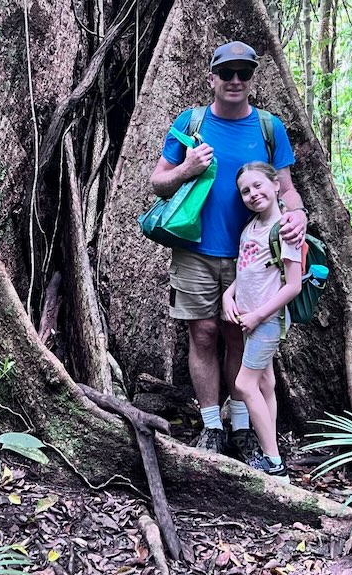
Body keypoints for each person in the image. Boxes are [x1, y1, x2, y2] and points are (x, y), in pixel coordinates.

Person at [149, 40, 307, 457]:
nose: (235, 80)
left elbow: (287, 191)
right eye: (227, 73)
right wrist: (188, 168)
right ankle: (211, 425)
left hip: (253, 255)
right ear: (212, 78)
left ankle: (241, 425)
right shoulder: (191, 122)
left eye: (244, 73)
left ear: (253, 78)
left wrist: (300, 216)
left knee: (242, 333)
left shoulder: (269, 128)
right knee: (201, 333)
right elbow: (158, 182)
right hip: (196, 249)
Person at [221, 162, 304, 481]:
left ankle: (274, 463)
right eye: (245, 191)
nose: (253, 194)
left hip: (266, 320)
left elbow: (293, 285)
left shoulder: (285, 229)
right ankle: (271, 451)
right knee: (265, 383)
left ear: (276, 185)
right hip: (248, 319)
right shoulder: (251, 228)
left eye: (258, 186)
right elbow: (245, 272)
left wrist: (257, 315)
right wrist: (229, 296)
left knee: (244, 384)